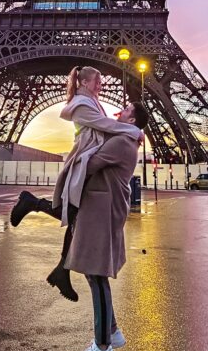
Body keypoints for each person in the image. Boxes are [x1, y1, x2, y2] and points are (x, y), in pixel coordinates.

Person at [10, 66, 142, 302]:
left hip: (90, 160)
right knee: (72, 212)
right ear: (83, 82)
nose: (101, 87)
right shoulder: (82, 105)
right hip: (84, 160)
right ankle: (31, 203)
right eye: (97, 83)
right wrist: (134, 131)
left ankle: (62, 268)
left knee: (75, 215)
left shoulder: (91, 101)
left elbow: (106, 127)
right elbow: (107, 127)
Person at [66, 100, 149, 351]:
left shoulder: (121, 143)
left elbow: (87, 165)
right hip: (104, 207)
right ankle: (111, 331)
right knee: (95, 272)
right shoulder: (127, 140)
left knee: (96, 273)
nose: (119, 111)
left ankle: (102, 349)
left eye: (125, 109)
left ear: (133, 119)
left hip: (103, 209)